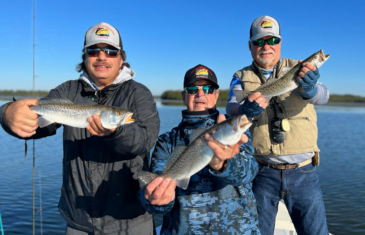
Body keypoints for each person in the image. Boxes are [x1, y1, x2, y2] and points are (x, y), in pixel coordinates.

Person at [0, 22, 160, 235]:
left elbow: (144, 140)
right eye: (94, 51)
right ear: (85, 58)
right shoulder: (66, 90)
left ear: (121, 58)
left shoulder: (139, 94)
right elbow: (35, 125)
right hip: (78, 220)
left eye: (111, 51)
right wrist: (7, 113)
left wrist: (116, 131)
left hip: (130, 219)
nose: (102, 56)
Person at [226, 16, 329, 235]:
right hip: (261, 173)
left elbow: (324, 96)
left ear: (280, 43)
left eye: (272, 40)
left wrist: (310, 89)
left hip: (304, 173)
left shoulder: (299, 66)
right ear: (250, 46)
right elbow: (231, 108)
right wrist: (245, 110)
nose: (266, 46)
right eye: (259, 41)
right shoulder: (240, 76)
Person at [139, 64, 260, 234]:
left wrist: (222, 164)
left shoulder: (236, 134)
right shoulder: (166, 141)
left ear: (216, 95)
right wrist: (158, 201)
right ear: (184, 96)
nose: (200, 94)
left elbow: (249, 172)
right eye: (193, 89)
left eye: (208, 89)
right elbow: (156, 208)